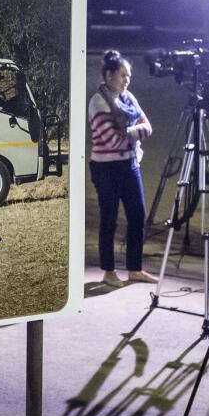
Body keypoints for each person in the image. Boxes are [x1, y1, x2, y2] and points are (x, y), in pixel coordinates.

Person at [89, 50, 158, 287]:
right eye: (122, 75)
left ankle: (134, 269)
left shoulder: (128, 98)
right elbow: (111, 141)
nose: (126, 80)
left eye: (128, 75)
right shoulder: (98, 101)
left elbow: (148, 127)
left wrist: (129, 133)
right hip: (106, 169)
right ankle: (109, 271)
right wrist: (134, 133)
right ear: (108, 75)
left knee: (137, 215)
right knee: (109, 219)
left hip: (129, 165)